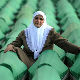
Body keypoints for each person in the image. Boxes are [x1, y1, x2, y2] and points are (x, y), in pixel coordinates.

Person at [4, 11, 80, 80]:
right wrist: (10, 45)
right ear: (33, 19)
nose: (38, 21)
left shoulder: (50, 32)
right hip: (28, 60)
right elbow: (16, 43)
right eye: (36, 18)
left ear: (44, 21)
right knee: (14, 50)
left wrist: (78, 49)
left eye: (41, 19)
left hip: (43, 60)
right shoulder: (25, 33)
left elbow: (63, 43)